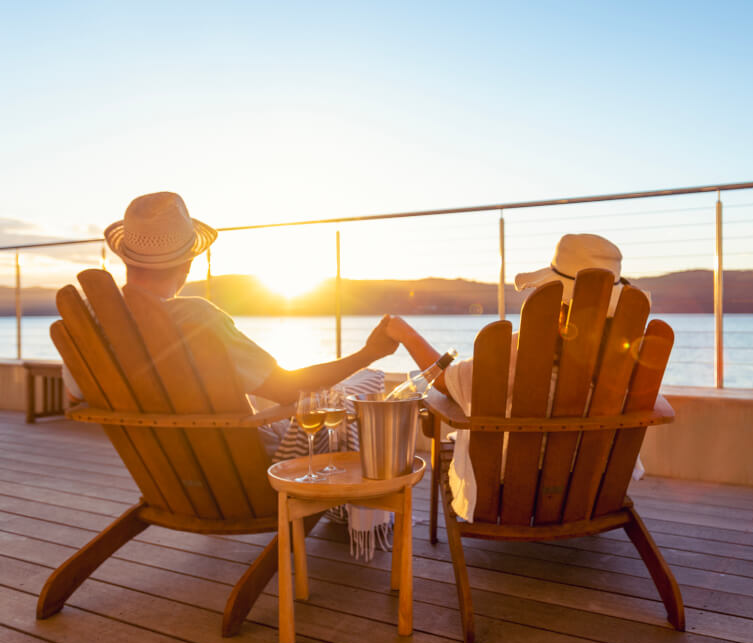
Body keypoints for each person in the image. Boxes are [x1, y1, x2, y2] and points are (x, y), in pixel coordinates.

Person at [64, 191, 400, 461]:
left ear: (125, 256)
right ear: (189, 262)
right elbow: (287, 389)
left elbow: (75, 394)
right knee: (360, 388)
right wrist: (368, 353)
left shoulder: (89, 322)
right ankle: (360, 523)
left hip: (163, 467)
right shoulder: (195, 319)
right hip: (240, 461)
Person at [385, 233, 646, 522]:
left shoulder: (520, 350)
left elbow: (445, 381)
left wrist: (403, 332)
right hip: (592, 488)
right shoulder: (628, 360)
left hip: (511, 492)